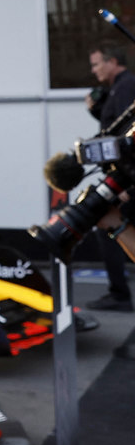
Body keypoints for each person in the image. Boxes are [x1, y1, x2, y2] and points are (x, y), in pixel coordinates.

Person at [84, 44, 135, 311]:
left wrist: (126, 183)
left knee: (109, 227)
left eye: (96, 64)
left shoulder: (126, 86)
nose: (94, 71)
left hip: (125, 177)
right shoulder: (117, 88)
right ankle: (119, 293)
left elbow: (128, 136)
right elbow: (113, 128)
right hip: (122, 175)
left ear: (112, 61)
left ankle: (119, 295)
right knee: (109, 228)